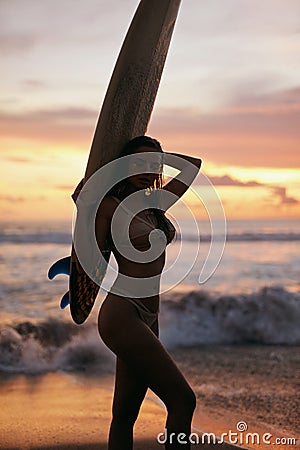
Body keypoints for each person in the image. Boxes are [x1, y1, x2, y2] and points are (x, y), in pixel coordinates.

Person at [96, 136, 202, 450]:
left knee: (125, 415)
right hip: (122, 313)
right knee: (183, 400)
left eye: (152, 165)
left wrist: (154, 156)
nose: (146, 170)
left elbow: (192, 166)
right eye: (137, 164)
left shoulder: (154, 204)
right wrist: (87, 203)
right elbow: (92, 258)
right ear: (123, 168)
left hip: (148, 316)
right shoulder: (109, 205)